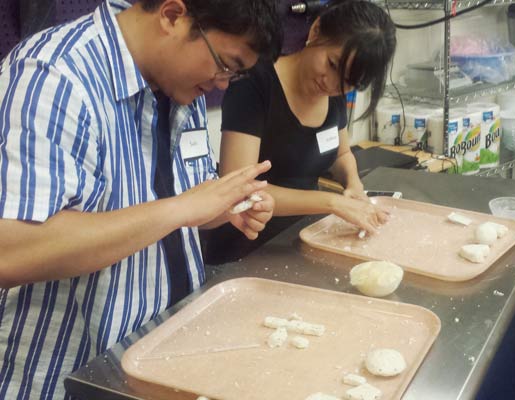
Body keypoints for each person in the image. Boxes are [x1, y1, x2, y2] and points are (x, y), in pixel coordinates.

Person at [0, 0, 282, 398]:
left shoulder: (181, 84)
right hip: (68, 374)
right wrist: (180, 208)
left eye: (232, 76)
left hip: (155, 358)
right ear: (171, 16)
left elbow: (183, 207)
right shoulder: (55, 76)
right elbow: (11, 250)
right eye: (225, 64)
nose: (221, 83)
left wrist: (225, 208)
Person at [202, 0, 397, 264]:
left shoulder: (333, 90)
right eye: (331, 63)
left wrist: (353, 183)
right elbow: (237, 190)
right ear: (316, 31)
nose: (330, 83)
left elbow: (341, 154)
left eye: (348, 82)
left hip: (303, 238)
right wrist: (332, 202)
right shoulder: (254, 83)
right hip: (246, 248)